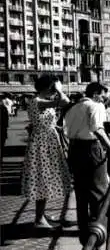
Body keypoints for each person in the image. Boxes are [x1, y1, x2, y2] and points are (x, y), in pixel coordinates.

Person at [65, 82, 110, 245]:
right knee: (98, 190)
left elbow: (65, 129)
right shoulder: (96, 106)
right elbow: (98, 128)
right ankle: (98, 230)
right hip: (91, 148)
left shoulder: (73, 107)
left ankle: (84, 231)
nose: (105, 98)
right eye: (104, 95)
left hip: (74, 149)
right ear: (96, 94)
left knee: (81, 192)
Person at [21, 75, 72, 229]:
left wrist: (55, 127)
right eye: (53, 87)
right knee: (43, 179)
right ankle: (38, 219)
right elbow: (65, 101)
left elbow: (44, 120)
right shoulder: (39, 102)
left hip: (46, 140)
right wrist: (58, 89)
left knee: (46, 178)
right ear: (48, 87)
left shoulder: (42, 102)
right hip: (43, 143)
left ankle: (41, 215)